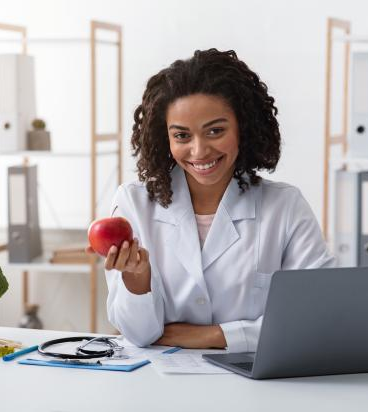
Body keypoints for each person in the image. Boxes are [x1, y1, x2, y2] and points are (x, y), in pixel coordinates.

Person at [86, 49, 334, 351]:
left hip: (258, 389)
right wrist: (137, 278)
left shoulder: (284, 206)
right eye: (182, 136)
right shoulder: (133, 204)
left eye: (215, 131)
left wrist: (211, 336)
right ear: (164, 137)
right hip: (158, 387)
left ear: (244, 126)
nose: (199, 150)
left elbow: (317, 317)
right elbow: (138, 335)